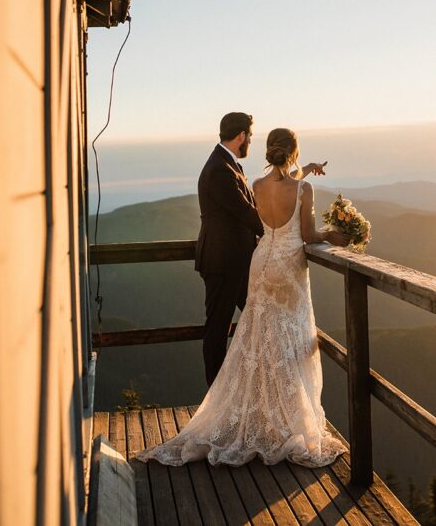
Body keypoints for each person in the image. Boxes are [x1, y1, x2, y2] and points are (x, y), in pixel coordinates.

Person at [138, 127, 350, 467]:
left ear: (271, 151)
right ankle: (285, 419)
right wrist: (332, 234)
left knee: (259, 337)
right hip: (289, 267)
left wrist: (303, 169)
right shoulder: (304, 190)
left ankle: (258, 413)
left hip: (261, 262)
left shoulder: (257, 185)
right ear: (293, 152)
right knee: (291, 339)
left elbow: (280, 193)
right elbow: (308, 236)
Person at [194, 112, 326, 385]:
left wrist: (304, 171)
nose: (251, 142)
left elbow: (274, 189)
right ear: (241, 136)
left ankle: (257, 391)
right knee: (218, 328)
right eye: (250, 137)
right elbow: (248, 212)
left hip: (240, 261)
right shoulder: (220, 169)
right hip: (222, 262)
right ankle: (215, 394)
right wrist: (280, 231)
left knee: (260, 322)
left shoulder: (226, 163)